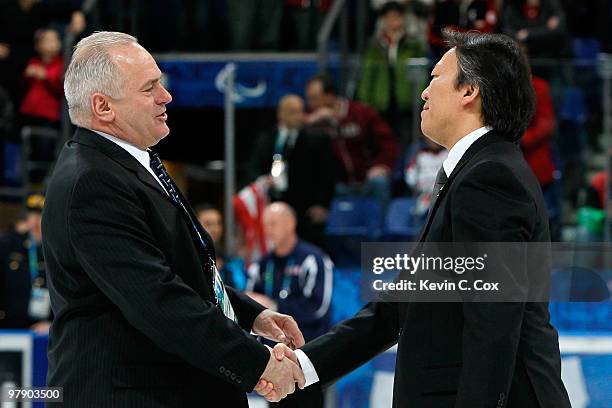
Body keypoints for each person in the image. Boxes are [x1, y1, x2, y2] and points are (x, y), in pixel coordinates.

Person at [258, 29, 571, 407]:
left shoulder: (489, 178)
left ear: (469, 92)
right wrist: (305, 365)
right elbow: (398, 306)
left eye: (436, 78)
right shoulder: (476, 172)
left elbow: (493, 321)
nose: (424, 91)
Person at [41, 31, 305, 407]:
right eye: (150, 88)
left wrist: (250, 315)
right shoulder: (92, 182)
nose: (166, 96)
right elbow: (156, 298)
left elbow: (179, 269)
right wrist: (257, 362)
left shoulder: (126, 162)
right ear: (103, 107)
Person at [246, 202, 332, 408]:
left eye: (273, 224)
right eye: (265, 225)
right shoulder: (262, 263)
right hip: (275, 360)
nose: (268, 230)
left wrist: (274, 305)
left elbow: (318, 306)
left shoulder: (314, 259)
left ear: (290, 223)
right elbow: (251, 303)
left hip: (308, 357)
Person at [246, 94, 335, 248]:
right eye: (294, 112)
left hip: (305, 209)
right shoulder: (266, 138)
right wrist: (262, 181)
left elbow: (328, 175)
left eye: (302, 111)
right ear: (281, 113)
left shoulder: (318, 140)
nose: (299, 116)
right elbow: (252, 169)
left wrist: (322, 204)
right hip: (272, 203)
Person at [305, 75, 400, 210]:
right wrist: (309, 123)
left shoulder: (361, 112)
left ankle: (383, 227)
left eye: (314, 98)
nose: (310, 104)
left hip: (368, 178)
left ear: (330, 96)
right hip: (338, 184)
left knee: (380, 182)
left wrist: (382, 165)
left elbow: (389, 143)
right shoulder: (314, 122)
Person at [358, 1, 426, 145]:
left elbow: (422, 74)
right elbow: (367, 76)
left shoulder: (413, 44)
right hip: (381, 101)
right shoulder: (375, 45)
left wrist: (418, 99)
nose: (393, 21)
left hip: (406, 102)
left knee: (407, 141)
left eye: (396, 16)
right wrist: (366, 103)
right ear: (383, 20)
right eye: (389, 17)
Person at [0, 192, 51, 334]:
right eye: (32, 215)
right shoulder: (9, 245)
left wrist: (53, 324)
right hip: (10, 330)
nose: (35, 222)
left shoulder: (57, 250)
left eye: (40, 215)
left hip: (44, 332)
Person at [196, 203, 248, 290]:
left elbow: (241, 288)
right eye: (208, 224)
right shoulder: (191, 259)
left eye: (218, 223)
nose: (214, 228)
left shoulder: (230, 262)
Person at [19, 28, 63, 128]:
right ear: (38, 45)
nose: (51, 43)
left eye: (54, 40)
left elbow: (60, 87)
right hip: (29, 111)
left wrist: (45, 77)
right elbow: (22, 85)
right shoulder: (34, 61)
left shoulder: (61, 64)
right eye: (47, 40)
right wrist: (26, 75)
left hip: (48, 114)